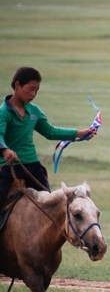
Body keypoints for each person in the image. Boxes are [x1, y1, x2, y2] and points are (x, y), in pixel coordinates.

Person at [0, 67, 98, 210]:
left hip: (32, 165)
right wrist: (5, 151)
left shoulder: (34, 111)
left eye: (37, 90)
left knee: (49, 204)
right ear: (17, 85)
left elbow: (50, 132)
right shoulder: (3, 113)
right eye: (31, 89)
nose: (33, 94)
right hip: (8, 167)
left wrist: (79, 133)